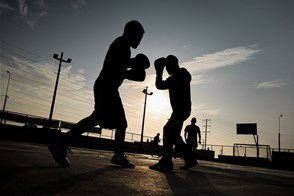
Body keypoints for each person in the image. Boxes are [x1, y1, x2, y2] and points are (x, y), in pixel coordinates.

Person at [48, 20, 149, 168]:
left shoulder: (122, 46)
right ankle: (117, 155)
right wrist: (135, 66)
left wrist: (135, 66)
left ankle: (62, 142)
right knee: (117, 122)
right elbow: (116, 69)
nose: (139, 41)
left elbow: (125, 68)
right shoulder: (122, 44)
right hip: (106, 86)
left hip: (107, 86)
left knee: (100, 119)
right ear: (131, 33)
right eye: (139, 37)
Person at [149, 55, 197, 171]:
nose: (167, 70)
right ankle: (189, 158)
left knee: (167, 130)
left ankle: (166, 162)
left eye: (168, 67)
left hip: (182, 110)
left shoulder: (182, 73)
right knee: (174, 135)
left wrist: (160, 70)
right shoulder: (173, 78)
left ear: (175, 65)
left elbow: (163, 84)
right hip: (179, 111)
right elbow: (160, 85)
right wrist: (159, 71)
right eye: (166, 68)